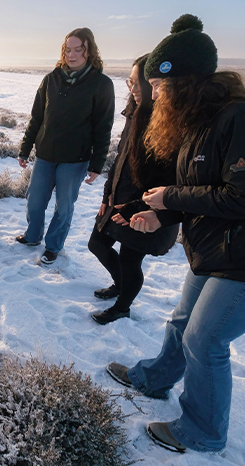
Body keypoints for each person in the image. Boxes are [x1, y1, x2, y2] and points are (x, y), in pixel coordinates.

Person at [105, 14, 245, 453]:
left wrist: (172, 198)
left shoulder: (244, 120)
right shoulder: (199, 123)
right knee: (183, 321)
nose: (156, 95)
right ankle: (154, 379)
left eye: (161, 87)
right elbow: (208, 191)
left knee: (206, 339)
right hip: (222, 252)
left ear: (184, 82)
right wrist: (161, 215)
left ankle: (202, 431)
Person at [88, 54, 179, 325]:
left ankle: (123, 305)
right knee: (97, 244)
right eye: (131, 82)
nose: (134, 88)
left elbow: (171, 177)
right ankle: (121, 284)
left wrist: (140, 208)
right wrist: (107, 195)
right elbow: (120, 158)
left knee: (130, 258)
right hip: (119, 196)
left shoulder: (167, 123)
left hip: (146, 206)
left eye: (138, 82)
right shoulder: (134, 112)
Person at [16, 27, 115, 265]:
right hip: (45, 155)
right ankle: (32, 236)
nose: (72, 55)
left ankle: (53, 246)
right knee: (35, 202)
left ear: (88, 50)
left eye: (78, 50)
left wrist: (97, 163)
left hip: (75, 159)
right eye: (67, 50)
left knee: (64, 206)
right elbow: (36, 117)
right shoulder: (51, 79)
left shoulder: (101, 84)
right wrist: (25, 148)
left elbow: (103, 127)